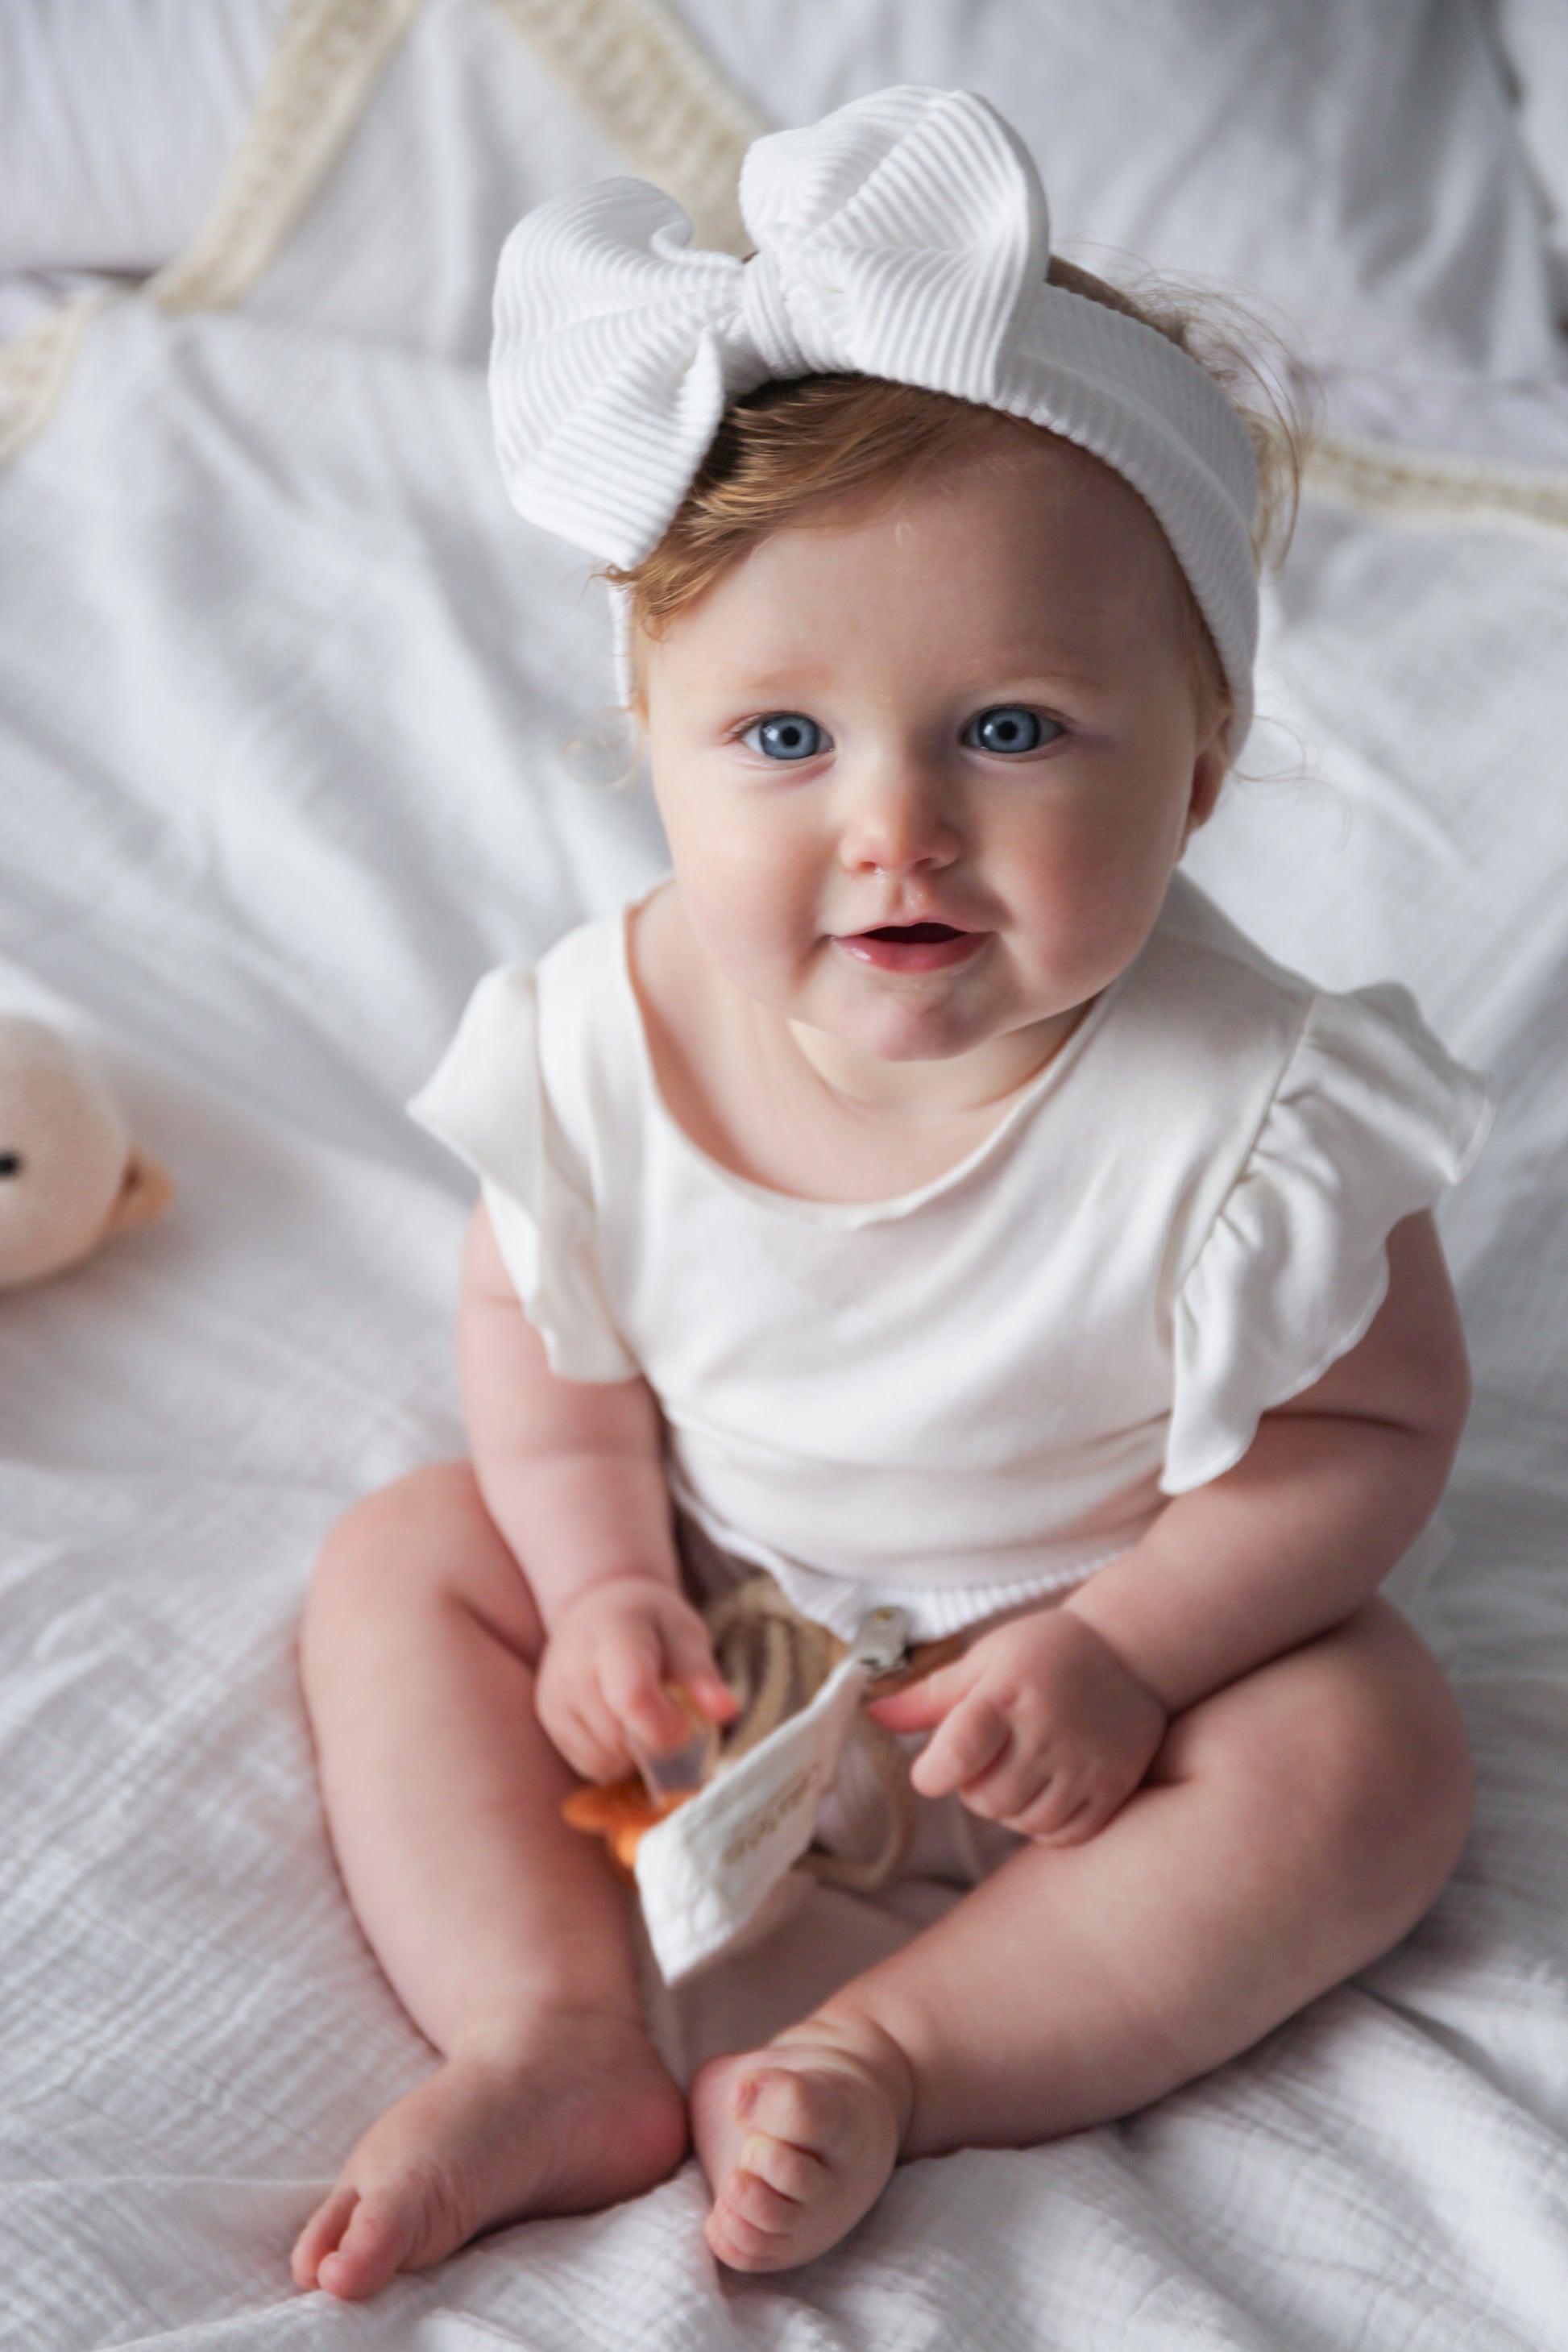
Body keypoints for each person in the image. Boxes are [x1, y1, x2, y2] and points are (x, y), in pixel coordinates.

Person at [289, 86, 1490, 2302]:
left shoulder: (1251, 1109)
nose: (895, 830)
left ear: (1199, 768)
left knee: (1368, 1752)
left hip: (1087, 1697)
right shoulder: (596, 1044)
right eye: (781, 741)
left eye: (1012, 731)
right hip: (711, 1642)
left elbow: (1371, 1433)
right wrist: (590, 1591)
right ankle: (555, 2032)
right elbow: (541, 1356)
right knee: (397, 1567)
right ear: (646, 738)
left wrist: (1131, 1647)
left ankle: (889, 2055)